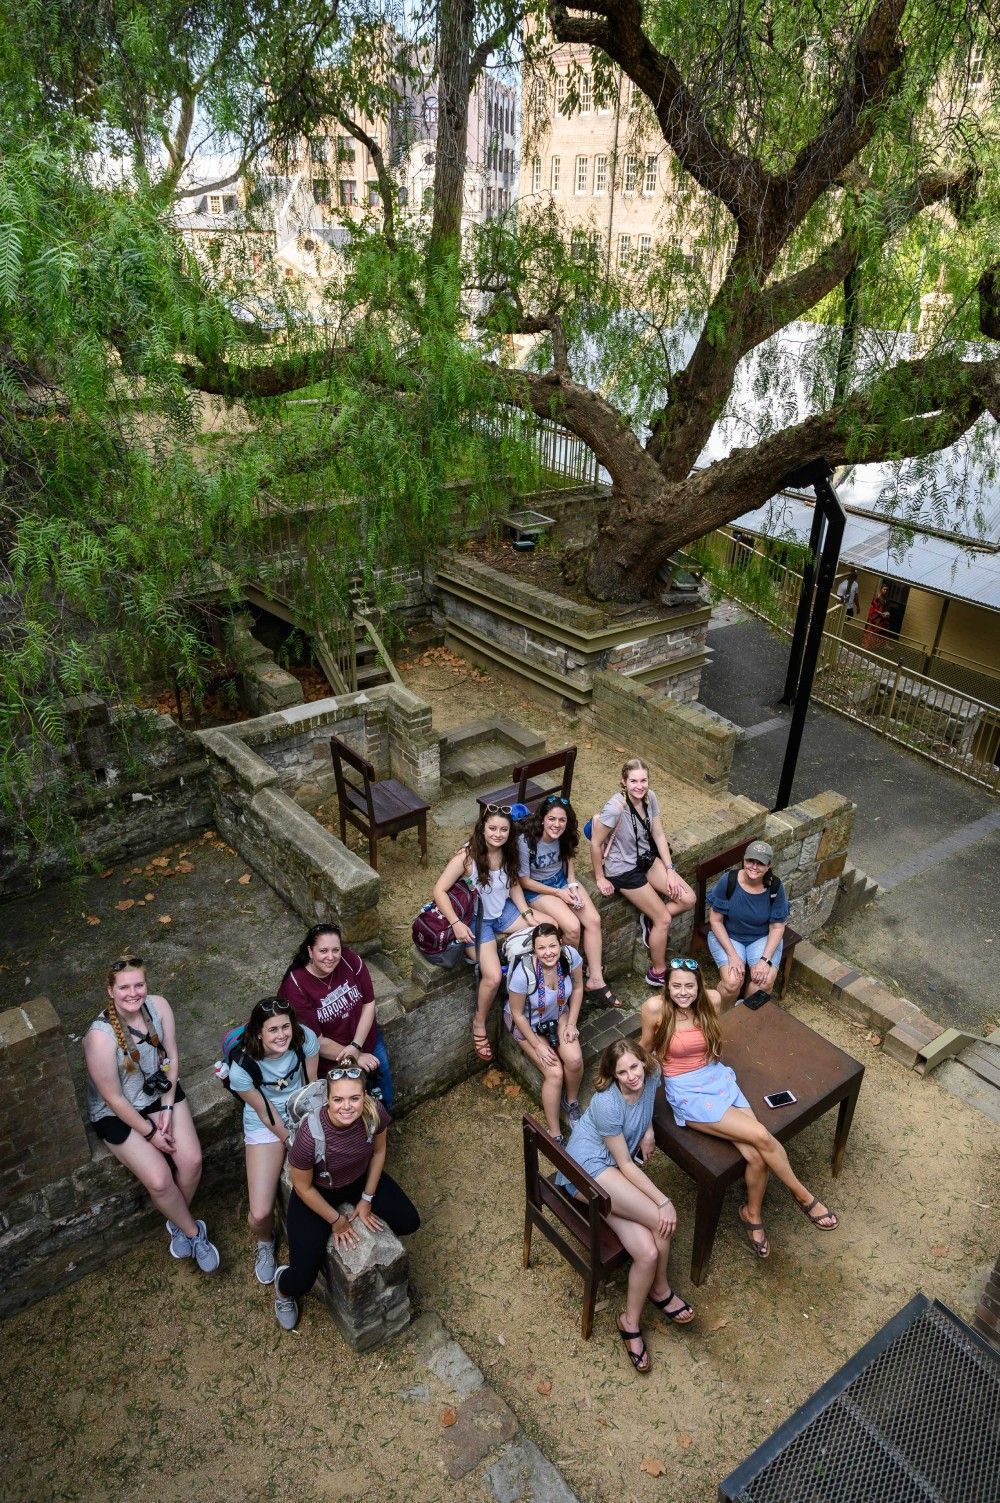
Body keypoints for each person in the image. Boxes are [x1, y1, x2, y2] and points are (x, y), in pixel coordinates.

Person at [641, 958, 838, 1259]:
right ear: (666, 986)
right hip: (687, 1092)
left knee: (756, 1156)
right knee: (760, 1135)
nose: (683, 993)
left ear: (699, 985)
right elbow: (644, 1049)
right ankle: (803, 1195)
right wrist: (643, 1091)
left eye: (689, 986)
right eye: (676, 986)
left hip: (717, 1077)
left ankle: (752, 1214)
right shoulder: (655, 1009)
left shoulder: (713, 999)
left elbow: (711, 1036)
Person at [557, 1038, 695, 1374]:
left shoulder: (652, 1073)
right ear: (613, 1075)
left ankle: (628, 1321)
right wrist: (663, 1200)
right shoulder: (607, 1105)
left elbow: (647, 1103)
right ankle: (660, 1291)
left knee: (647, 1252)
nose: (632, 1076)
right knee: (662, 1218)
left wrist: (647, 1129)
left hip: (614, 1173)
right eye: (622, 1072)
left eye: (634, 1066)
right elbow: (626, 1164)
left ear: (643, 1063)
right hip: (589, 1171)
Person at [83, 957, 219, 1271]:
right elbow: (114, 1099)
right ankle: (192, 1231)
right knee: (159, 1181)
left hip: (159, 1091)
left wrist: (168, 1106)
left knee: (192, 1161)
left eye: (139, 985)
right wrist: (152, 1133)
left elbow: (170, 1055)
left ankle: (176, 1219)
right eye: (124, 987)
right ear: (110, 991)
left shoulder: (159, 1007)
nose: (133, 993)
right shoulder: (99, 1038)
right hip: (117, 1112)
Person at [273, 1061, 420, 1331]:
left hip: (358, 1179)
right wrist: (335, 1220)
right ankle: (282, 1286)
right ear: (327, 1100)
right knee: (302, 1279)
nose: (346, 1106)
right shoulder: (310, 1136)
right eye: (337, 1099)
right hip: (319, 1191)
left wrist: (366, 1198)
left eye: (354, 1098)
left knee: (409, 1221)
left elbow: (378, 1152)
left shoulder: (374, 1112)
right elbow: (302, 1186)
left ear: (364, 1096)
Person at [227, 997, 320, 1285]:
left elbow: (311, 1087)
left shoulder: (305, 1040)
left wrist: (312, 1126)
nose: (281, 1035)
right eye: (273, 1030)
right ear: (258, 1033)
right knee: (260, 1212)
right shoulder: (241, 1069)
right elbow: (266, 1114)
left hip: (299, 1108)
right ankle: (265, 1241)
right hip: (265, 1123)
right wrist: (293, 1142)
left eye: (286, 1027)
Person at [432, 804, 536, 1061]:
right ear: (483, 828)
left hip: (502, 913)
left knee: (548, 930)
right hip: (477, 921)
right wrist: (456, 922)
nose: (497, 834)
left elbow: (513, 885)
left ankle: (535, 994)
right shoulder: (467, 858)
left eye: (503, 829)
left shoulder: (509, 853)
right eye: (492, 828)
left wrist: (525, 913)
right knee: (491, 977)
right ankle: (479, 1023)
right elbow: (438, 891)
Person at [590, 757, 695, 990]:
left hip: (645, 859)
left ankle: (649, 918)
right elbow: (596, 843)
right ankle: (657, 972)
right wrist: (599, 877)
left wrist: (669, 871)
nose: (639, 786)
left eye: (643, 780)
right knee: (664, 919)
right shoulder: (615, 807)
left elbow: (658, 834)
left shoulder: (651, 797)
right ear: (623, 782)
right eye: (634, 781)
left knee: (688, 898)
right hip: (623, 869)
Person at [517, 794, 621, 1008]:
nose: (557, 825)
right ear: (542, 818)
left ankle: (595, 979)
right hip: (538, 890)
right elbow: (524, 881)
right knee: (572, 927)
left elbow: (569, 858)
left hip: (561, 881)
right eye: (552, 819)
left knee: (593, 920)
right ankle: (567, 976)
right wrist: (559, 894)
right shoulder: (526, 841)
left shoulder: (564, 835)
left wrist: (572, 884)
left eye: (562, 820)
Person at [279, 923, 395, 1108]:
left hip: (365, 1039)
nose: (331, 957)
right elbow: (315, 1040)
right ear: (310, 951)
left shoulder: (350, 960)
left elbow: (368, 1003)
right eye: (323, 950)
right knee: (348, 1106)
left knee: (383, 1092)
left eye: (336, 950)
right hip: (333, 1060)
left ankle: (383, 1125)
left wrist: (357, 1046)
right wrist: (354, 1057)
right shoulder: (296, 986)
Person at [504, 923, 585, 1140]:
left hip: (558, 1013)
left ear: (561, 943)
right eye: (541, 948)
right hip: (527, 1024)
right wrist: (538, 1045)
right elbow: (517, 1014)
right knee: (554, 1072)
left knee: (575, 1060)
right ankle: (554, 1132)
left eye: (552, 946)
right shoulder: (523, 975)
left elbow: (577, 988)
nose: (548, 952)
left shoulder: (570, 957)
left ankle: (571, 1102)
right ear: (534, 949)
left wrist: (571, 1024)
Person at [707, 839, 789, 1006]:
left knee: (764, 982)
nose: (754, 866)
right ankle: (722, 1016)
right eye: (750, 860)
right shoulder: (728, 880)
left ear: (769, 866)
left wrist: (764, 960)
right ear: (743, 860)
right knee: (731, 983)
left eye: (760, 863)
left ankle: (744, 1013)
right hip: (729, 936)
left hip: (760, 938)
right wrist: (732, 955)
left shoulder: (775, 887)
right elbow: (715, 921)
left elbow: (777, 927)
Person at [862, 581, 891, 648]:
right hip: (875, 617)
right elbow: (873, 608)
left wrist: (886, 613)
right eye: (884, 589)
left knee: (882, 631)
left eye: (886, 590)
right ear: (881, 589)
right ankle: (866, 644)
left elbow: (885, 608)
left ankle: (879, 644)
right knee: (871, 630)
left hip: (881, 618)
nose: (885, 591)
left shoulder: (885, 599)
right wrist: (880, 613)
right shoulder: (877, 597)